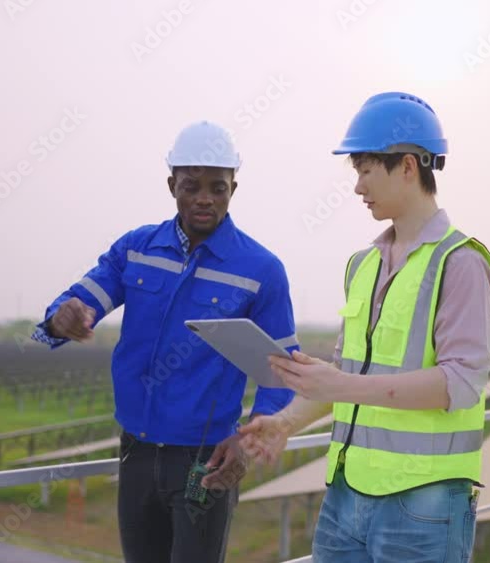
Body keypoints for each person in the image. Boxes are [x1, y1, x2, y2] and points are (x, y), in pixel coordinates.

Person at [239, 92, 490, 562]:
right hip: (346, 492)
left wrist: (342, 384)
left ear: (407, 166)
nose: (357, 187)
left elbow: (460, 383)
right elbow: (347, 372)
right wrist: (285, 423)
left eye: (365, 171)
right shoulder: (363, 266)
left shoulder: (460, 263)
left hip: (424, 504)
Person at [32, 121, 298, 563]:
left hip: (207, 460)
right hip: (134, 454)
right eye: (191, 186)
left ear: (234, 188)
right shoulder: (136, 249)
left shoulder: (261, 270)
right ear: (172, 185)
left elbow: (282, 370)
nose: (204, 198)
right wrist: (63, 319)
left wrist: (249, 439)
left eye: (218, 187)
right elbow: (79, 302)